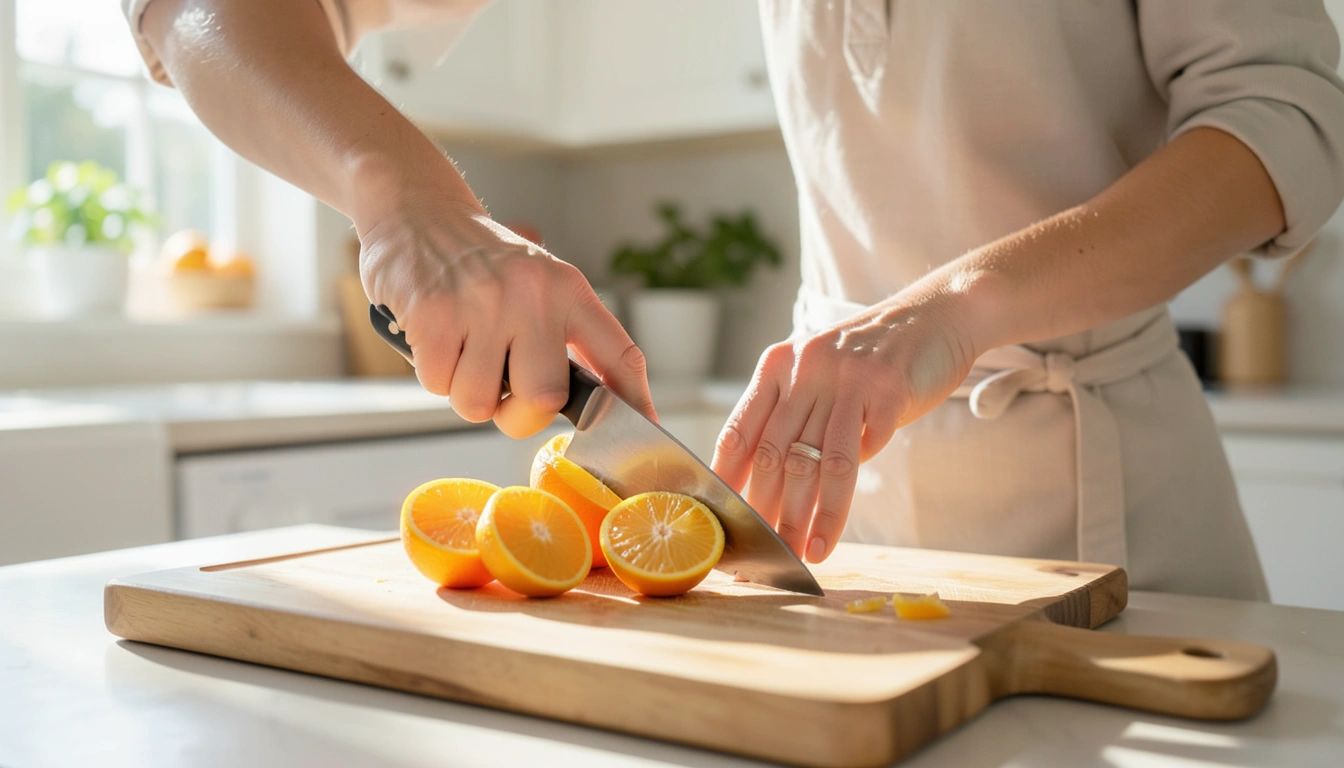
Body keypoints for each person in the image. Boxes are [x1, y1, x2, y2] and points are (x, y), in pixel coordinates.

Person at [124, 0, 1344, 600]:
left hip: (1124, 518)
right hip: (826, 505)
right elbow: (200, 14)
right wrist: (403, 197)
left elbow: (1289, 121)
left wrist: (952, 309)